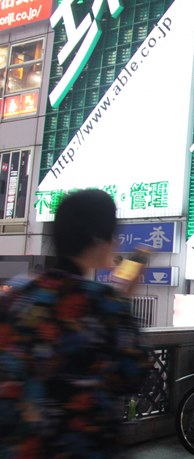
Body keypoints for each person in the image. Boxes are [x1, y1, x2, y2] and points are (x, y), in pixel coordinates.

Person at [0, 189, 153, 457]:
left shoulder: (16, 296)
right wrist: (123, 300)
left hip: (21, 444)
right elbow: (133, 375)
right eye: (113, 234)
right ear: (97, 238)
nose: (115, 242)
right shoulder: (104, 303)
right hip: (82, 445)